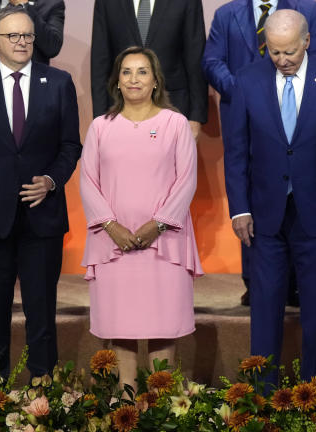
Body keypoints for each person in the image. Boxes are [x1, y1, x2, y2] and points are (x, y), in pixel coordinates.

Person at [223, 9, 316, 387]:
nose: (282, 61)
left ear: (307, 42)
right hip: (264, 214)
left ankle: (314, 390)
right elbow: (236, 151)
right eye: (274, 52)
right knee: (264, 309)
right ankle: (264, 394)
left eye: (290, 52)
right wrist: (240, 209)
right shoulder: (248, 80)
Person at [0, 6, 81, 379]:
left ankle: (43, 391)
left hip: (43, 219)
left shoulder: (58, 82)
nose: (22, 42)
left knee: (41, 312)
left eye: (27, 35)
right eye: (13, 36)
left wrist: (51, 181)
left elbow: (70, 147)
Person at [203, 0, 316, 306]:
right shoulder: (226, 14)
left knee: (298, 196)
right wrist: (250, 94)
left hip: (300, 126)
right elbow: (212, 62)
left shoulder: (309, 10)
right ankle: (255, 282)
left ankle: (296, 281)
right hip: (247, 127)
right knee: (253, 200)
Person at [79, 46, 202, 388]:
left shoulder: (174, 123)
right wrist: (111, 225)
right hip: (113, 243)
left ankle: (161, 402)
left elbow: (186, 179)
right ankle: (127, 397)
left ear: (155, 81)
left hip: (165, 242)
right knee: (122, 325)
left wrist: (158, 224)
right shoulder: (101, 127)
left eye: (142, 71)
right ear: (116, 82)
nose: (134, 79)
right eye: (127, 72)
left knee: (163, 324)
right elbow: (88, 181)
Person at [91, 0, 207, 139]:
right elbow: (100, 61)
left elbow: (195, 56)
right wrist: (101, 116)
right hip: (121, 107)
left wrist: (196, 115)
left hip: (174, 105)